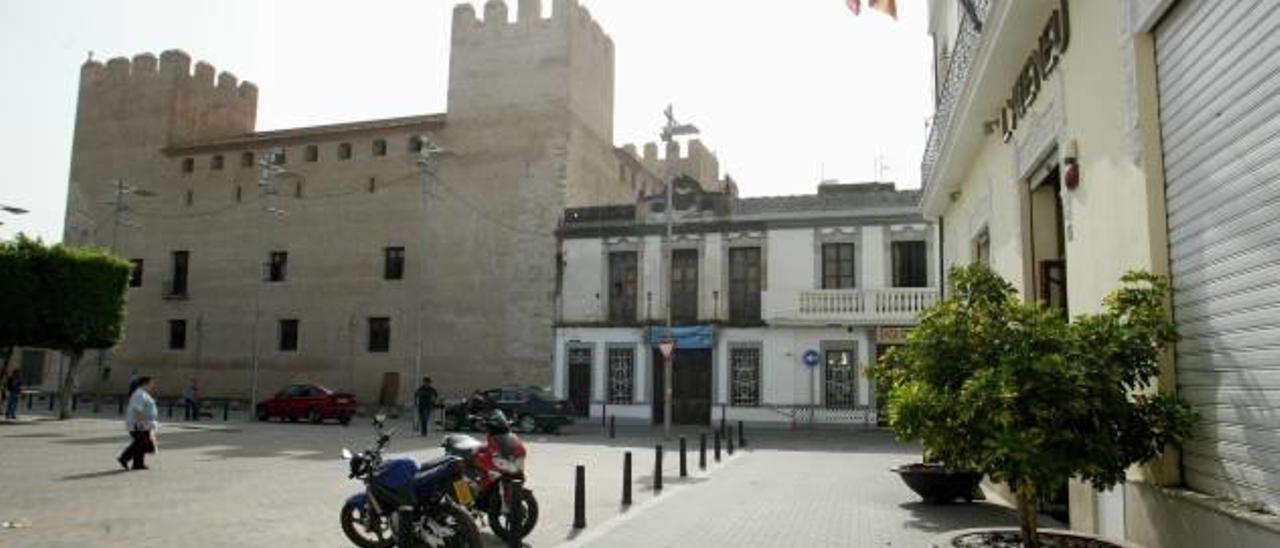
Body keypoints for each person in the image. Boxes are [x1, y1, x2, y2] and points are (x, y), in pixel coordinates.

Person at [118, 376, 159, 471]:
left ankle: (138, 464)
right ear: (145, 383)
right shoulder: (140, 394)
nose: (153, 385)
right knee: (141, 443)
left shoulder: (143, 393)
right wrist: (144, 423)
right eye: (151, 383)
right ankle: (124, 458)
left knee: (141, 443)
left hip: (141, 423)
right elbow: (138, 410)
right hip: (138, 424)